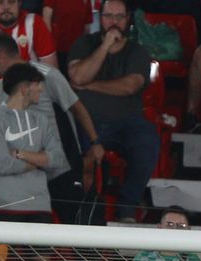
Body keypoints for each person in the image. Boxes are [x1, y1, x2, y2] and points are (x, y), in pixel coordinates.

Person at [68, 0, 158, 217]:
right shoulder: (84, 43)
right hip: (85, 121)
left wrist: (89, 85)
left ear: (128, 19)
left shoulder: (137, 51)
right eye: (108, 16)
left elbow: (130, 86)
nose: (114, 22)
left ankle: (127, 206)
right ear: (101, 18)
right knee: (73, 146)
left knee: (148, 140)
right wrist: (105, 45)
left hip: (126, 123)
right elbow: (77, 76)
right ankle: (79, 209)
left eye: (119, 17)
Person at [0, 62, 67, 221]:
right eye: (38, 85)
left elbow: (57, 159)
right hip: (3, 206)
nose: (41, 89)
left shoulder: (41, 120)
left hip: (40, 206)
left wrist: (19, 153)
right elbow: (3, 164)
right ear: (24, 89)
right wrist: (39, 161)